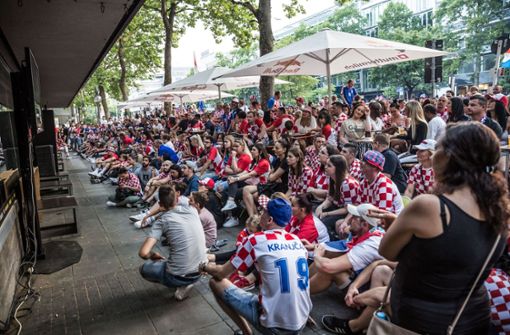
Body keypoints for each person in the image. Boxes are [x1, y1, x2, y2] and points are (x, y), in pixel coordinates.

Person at [379, 122, 509, 334]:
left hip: (422, 321)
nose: (431, 156)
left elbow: (387, 251)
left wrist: (397, 226)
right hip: (472, 318)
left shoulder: (431, 207)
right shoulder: (500, 210)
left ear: (449, 157)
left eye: (437, 148)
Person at [202, 198, 312, 335]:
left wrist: (203, 266)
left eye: (264, 211)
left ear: (270, 219)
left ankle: (247, 333)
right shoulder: (296, 240)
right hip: (301, 319)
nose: (261, 213)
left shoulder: (255, 240)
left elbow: (221, 273)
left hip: (276, 326)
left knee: (215, 283)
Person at [138, 186, 207, 301]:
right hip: (201, 269)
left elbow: (143, 253)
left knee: (145, 269)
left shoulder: (161, 221)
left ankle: (180, 284)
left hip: (178, 275)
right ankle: (186, 282)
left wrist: (154, 255)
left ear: (160, 203)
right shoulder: (192, 209)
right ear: (177, 198)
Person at [306, 203, 384, 295]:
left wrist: (316, 254)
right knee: (328, 253)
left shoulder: (370, 245)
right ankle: (300, 282)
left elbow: (327, 267)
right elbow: (341, 246)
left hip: (368, 291)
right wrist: (316, 246)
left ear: (365, 224)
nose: (349, 219)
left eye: (354, 217)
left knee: (330, 270)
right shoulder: (368, 231)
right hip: (361, 276)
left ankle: (299, 294)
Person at [315, 155, 360, 236]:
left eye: (329, 166)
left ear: (338, 168)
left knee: (323, 223)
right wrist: (321, 207)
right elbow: (329, 198)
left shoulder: (347, 184)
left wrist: (327, 213)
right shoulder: (331, 178)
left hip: (348, 213)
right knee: (315, 213)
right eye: (326, 165)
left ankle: (329, 242)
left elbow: (347, 209)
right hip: (337, 207)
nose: (325, 167)